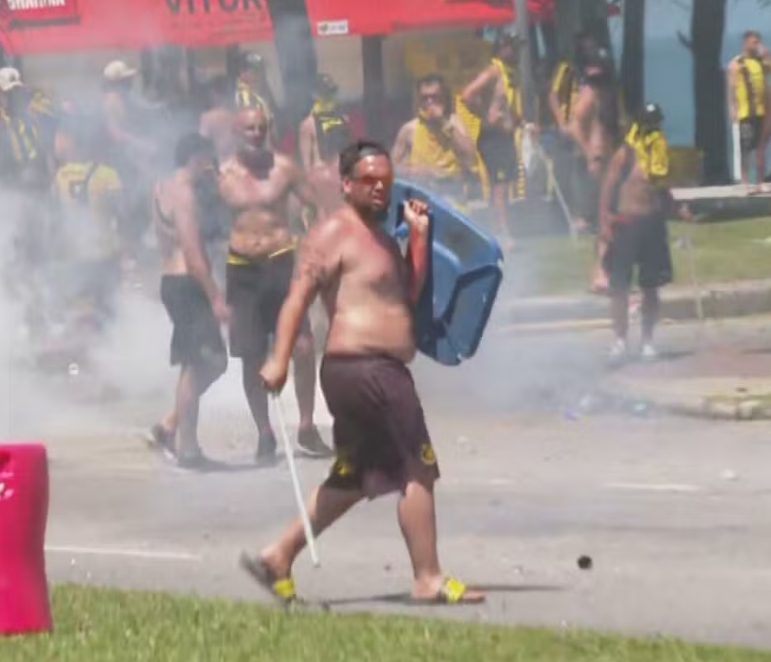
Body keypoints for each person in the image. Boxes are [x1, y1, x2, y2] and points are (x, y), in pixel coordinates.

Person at [241, 139, 485, 606]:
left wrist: (416, 240)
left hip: (375, 369)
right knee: (418, 466)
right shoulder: (335, 232)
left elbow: (406, 298)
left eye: (385, 181)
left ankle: (278, 555)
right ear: (346, 182)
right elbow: (298, 296)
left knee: (354, 478)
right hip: (365, 369)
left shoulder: (383, 235)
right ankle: (427, 578)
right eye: (369, 180)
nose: (379, 189)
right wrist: (279, 359)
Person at [220, 106, 333, 463]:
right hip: (242, 270)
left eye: (261, 127)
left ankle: (306, 426)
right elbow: (200, 216)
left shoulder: (284, 168)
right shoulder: (221, 173)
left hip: (281, 263)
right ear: (237, 132)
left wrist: (318, 247)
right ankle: (264, 432)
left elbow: (317, 207)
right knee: (251, 355)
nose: (255, 133)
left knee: (301, 346)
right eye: (248, 128)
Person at [147, 134, 229, 469]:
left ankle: (170, 427)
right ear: (194, 157)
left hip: (171, 280)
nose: (211, 165)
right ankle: (186, 444)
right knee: (207, 363)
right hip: (188, 282)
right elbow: (194, 253)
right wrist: (215, 296)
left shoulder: (161, 186)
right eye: (207, 159)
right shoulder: (184, 194)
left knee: (195, 364)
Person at [599, 103, 691, 363]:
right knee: (619, 287)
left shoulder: (659, 155)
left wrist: (677, 208)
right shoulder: (625, 154)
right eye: (649, 124)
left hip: (652, 223)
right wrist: (605, 220)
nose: (654, 129)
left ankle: (648, 341)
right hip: (627, 223)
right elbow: (607, 186)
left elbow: (661, 188)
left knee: (651, 287)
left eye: (657, 124)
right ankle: (619, 341)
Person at [50, 116, 126, 333]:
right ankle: (108, 352)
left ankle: (83, 354)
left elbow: (55, 213)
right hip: (104, 252)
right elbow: (122, 213)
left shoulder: (61, 175)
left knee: (79, 308)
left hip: (73, 251)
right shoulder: (107, 174)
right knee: (106, 308)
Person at [461, 28, 523, 251]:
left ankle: (503, 230)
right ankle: (501, 234)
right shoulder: (493, 71)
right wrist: (486, 116)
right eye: (512, 46)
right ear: (502, 46)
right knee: (499, 187)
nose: (516, 51)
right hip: (492, 138)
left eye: (518, 47)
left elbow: (508, 104)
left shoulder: (510, 72)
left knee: (505, 186)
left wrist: (519, 121)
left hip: (505, 138)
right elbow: (467, 94)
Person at [569, 47, 621, 293]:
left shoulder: (606, 93)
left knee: (609, 218)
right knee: (605, 219)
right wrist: (589, 150)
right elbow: (576, 121)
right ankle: (600, 273)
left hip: (608, 159)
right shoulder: (591, 92)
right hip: (599, 160)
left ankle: (605, 271)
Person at [392, 73, 476, 204]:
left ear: (444, 97)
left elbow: (470, 156)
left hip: (453, 197)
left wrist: (443, 122)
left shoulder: (454, 123)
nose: (429, 102)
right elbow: (392, 167)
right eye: (425, 98)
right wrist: (412, 171)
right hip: (423, 198)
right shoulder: (410, 129)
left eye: (434, 97)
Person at [298, 73, 351, 219]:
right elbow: (306, 164)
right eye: (325, 94)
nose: (329, 97)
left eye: (331, 93)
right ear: (315, 95)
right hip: (320, 181)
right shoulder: (308, 124)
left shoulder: (344, 120)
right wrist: (308, 198)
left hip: (341, 178)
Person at [727, 30, 771, 190]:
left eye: (758, 42)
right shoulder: (736, 64)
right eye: (754, 42)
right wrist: (732, 107)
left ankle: (760, 181)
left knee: (760, 147)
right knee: (746, 148)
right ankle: (745, 181)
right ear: (745, 43)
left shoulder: (761, 62)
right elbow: (731, 88)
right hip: (745, 112)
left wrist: (767, 55)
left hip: (761, 111)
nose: (757, 45)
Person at [234, 52, 278, 148]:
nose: (261, 74)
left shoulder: (257, 93)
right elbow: (252, 127)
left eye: (261, 70)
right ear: (243, 73)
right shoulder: (245, 97)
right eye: (256, 70)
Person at [200, 75, 238, 163]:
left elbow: (202, 143)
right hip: (240, 161)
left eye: (210, 94)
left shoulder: (208, 117)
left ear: (214, 94)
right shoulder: (240, 114)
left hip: (222, 162)